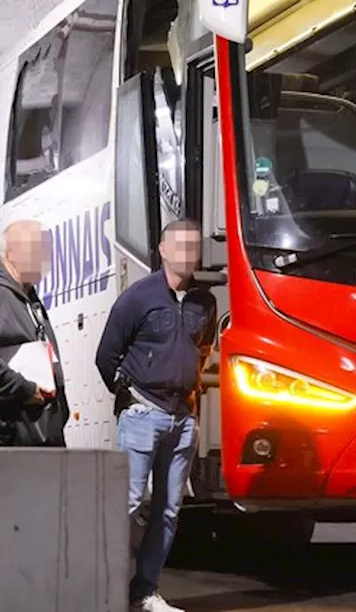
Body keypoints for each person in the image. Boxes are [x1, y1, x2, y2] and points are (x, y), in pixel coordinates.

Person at [95, 219, 217, 612]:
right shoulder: (138, 297)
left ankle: (144, 593)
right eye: (178, 246)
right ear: (163, 250)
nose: (186, 253)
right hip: (142, 414)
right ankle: (105, 589)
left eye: (192, 247)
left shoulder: (205, 302)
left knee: (167, 511)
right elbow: (106, 355)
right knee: (127, 505)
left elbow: (204, 351)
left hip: (183, 420)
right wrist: (128, 397)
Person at [0, 219, 68, 447]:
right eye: (35, 250)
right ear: (10, 253)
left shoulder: (30, 296)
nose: (43, 258)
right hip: (14, 434)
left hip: (43, 430)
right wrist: (24, 388)